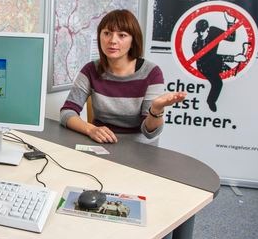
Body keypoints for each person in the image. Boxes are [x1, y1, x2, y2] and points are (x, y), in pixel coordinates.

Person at [60, 9, 186, 146]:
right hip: (103, 146)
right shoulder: (90, 70)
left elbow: (150, 132)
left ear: (133, 40)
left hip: (140, 150)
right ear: (99, 36)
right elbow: (67, 112)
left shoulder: (151, 73)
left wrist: (156, 109)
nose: (113, 41)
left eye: (122, 35)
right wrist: (91, 129)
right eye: (107, 33)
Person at [192, 11, 247, 112]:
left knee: (233, 73)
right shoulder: (196, 45)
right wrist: (234, 58)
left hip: (216, 61)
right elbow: (211, 58)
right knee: (218, 83)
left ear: (208, 29)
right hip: (204, 66)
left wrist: (231, 23)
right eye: (198, 31)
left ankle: (237, 101)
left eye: (202, 31)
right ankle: (211, 101)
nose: (200, 33)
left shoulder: (213, 31)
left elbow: (231, 37)